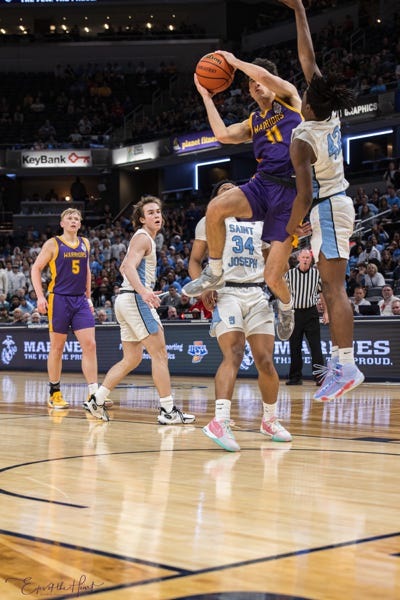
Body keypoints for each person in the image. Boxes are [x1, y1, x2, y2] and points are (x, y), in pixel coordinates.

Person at [183, 49, 304, 341]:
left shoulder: (290, 99)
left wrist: (235, 63)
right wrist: (207, 97)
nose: (256, 84)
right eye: (251, 83)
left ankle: (286, 306)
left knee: (272, 277)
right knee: (215, 208)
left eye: (259, 80)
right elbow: (222, 135)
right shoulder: (253, 121)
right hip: (262, 184)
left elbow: (262, 75)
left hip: (290, 191)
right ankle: (214, 272)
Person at [281, 0, 364, 401]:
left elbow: (304, 194)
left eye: (304, 92)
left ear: (309, 105)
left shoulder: (302, 138)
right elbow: (308, 58)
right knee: (329, 290)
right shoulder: (328, 113)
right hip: (331, 207)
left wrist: (291, 229)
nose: (303, 92)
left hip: (327, 206)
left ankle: (347, 367)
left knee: (333, 289)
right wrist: (298, 9)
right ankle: (340, 363)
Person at [189, 179, 292, 452]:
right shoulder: (210, 221)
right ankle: (220, 421)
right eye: (223, 191)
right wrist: (204, 287)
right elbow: (194, 261)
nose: (230, 192)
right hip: (227, 293)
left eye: (233, 189)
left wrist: (289, 239)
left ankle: (269, 420)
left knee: (266, 361)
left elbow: (278, 264)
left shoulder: (261, 222)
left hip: (257, 293)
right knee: (234, 352)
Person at [84, 196, 195, 425]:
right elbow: (126, 267)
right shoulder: (143, 237)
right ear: (142, 219)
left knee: (132, 358)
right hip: (135, 300)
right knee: (160, 354)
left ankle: (98, 399)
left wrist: (143, 290)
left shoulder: (144, 238)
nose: (157, 215)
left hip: (126, 300)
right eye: (151, 212)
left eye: (158, 211)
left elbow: (125, 268)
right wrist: (144, 292)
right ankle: (168, 411)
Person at [31, 208, 104, 410]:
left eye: (77, 218)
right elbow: (36, 268)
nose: (73, 221)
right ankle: (54, 392)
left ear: (80, 224)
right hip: (59, 300)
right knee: (57, 347)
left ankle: (94, 393)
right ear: (62, 223)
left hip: (80, 300)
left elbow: (86, 271)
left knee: (90, 345)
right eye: (69, 218)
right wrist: (40, 296)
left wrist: (89, 297)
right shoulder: (53, 244)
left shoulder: (85, 243)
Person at [285, 248, 326, 386]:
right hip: (294, 313)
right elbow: (284, 293)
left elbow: (322, 294)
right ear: (298, 258)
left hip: (311, 313)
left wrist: (326, 312)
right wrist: (284, 312)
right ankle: (295, 377)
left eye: (308, 258)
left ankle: (319, 377)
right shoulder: (290, 274)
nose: (305, 260)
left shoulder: (316, 274)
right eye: (303, 257)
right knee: (294, 346)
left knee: (315, 346)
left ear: (311, 259)